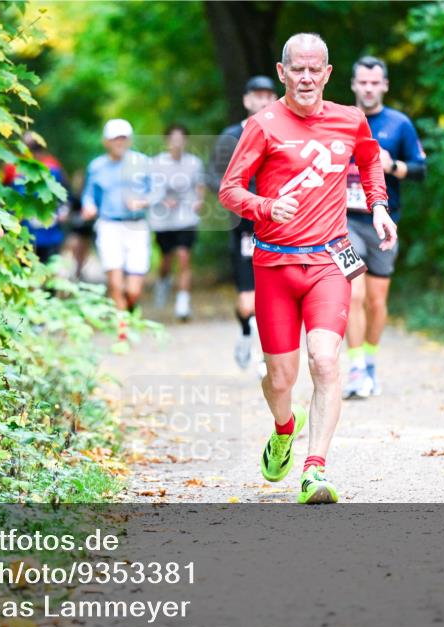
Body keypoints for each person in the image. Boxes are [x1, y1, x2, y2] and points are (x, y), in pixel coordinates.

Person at [218, 33, 395, 504]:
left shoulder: (349, 119)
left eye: (316, 69)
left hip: (329, 262)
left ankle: (314, 469)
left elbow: (369, 159)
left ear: (329, 73)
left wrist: (378, 206)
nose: (307, 77)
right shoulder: (262, 125)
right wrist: (264, 206)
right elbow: (229, 191)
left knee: (324, 359)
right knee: (280, 379)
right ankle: (283, 430)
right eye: (298, 68)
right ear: (282, 73)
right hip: (275, 264)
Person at [343, 56, 427, 398]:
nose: (368, 88)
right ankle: (355, 367)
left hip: (384, 222)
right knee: (354, 293)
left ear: (385, 85)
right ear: (353, 85)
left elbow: (421, 170)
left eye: (374, 82)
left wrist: (393, 166)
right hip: (344, 221)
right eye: (362, 82)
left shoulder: (399, 124)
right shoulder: (340, 121)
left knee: (377, 301)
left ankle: (371, 362)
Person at [207, 75, 278, 376]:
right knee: (247, 302)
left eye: (268, 96)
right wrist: (238, 197)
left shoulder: (284, 133)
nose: (262, 101)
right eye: (256, 96)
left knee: (271, 296)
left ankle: (266, 356)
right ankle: (247, 332)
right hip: (243, 229)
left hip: (276, 228)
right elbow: (212, 177)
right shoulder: (230, 137)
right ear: (247, 100)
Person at [81, 119, 151, 337]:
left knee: (133, 289)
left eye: (123, 138)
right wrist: (89, 206)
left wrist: (141, 202)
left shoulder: (142, 162)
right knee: (115, 281)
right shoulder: (96, 166)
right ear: (106, 142)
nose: (119, 142)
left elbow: (156, 192)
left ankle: (130, 307)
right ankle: (122, 331)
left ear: (129, 140)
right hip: (109, 225)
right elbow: (89, 194)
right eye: (115, 138)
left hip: (136, 225)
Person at [149, 124, 204, 321]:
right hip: (163, 221)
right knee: (166, 260)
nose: (177, 142)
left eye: (181, 138)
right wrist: (162, 200)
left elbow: (200, 186)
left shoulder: (194, 163)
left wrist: (198, 201)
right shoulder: (156, 163)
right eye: (173, 138)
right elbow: (151, 189)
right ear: (167, 141)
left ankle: (183, 303)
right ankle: (163, 283)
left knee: (183, 256)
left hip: (186, 218)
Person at [2, 131, 68, 263]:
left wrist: (64, 210)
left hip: (47, 229)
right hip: (23, 227)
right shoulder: (13, 168)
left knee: (45, 265)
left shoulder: (52, 167)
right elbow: (5, 195)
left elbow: (64, 195)